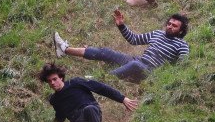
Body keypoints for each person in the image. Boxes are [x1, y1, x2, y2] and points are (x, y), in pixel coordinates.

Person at [52, 10, 189, 84]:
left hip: (149, 72)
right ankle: (65, 49)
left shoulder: (182, 45)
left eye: (174, 26)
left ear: (181, 31)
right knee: (106, 52)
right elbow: (134, 39)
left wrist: (161, 79)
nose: (170, 26)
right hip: (136, 60)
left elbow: (182, 67)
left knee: (135, 65)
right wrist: (121, 25)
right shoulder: (158, 33)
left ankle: (95, 80)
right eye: (169, 23)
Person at [39, 63, 138, 122]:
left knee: (89, 109)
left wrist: (123, 99)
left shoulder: (75, 82)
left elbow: (101, 88)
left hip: (92, 114)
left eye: (54, 79)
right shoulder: (54, 99)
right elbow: (60, 117)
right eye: (49, 81)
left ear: (60, 77)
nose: (52, 83)